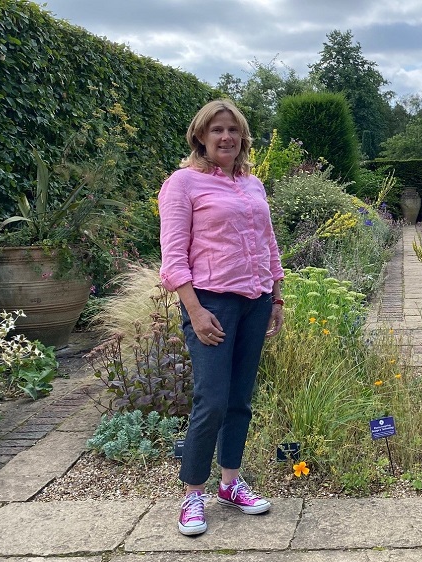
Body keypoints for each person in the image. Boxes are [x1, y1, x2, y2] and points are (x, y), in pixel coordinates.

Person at [158, 99, 285, 536]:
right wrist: (195, 312)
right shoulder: (183, 184)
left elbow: (269, 243)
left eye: (233, 129)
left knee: (240, 399)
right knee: (210, 400)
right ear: (201, 136)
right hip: (211, 304)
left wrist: (277, 298)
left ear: (243, 136)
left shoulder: (252, 184)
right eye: (217, 130)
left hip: (255, 301)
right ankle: (193, 494)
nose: (226, 137)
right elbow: (173, 257)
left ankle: (230, 483)